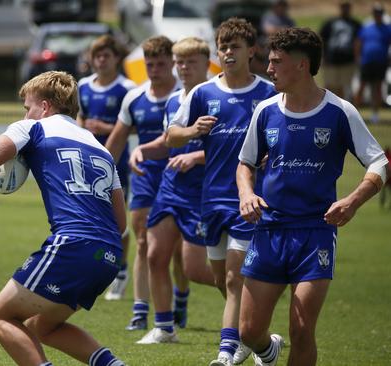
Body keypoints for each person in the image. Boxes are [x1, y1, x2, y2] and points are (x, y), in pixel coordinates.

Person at [237, 27, 389, 366]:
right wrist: (246, 193)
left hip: (315, 232)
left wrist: (353, 200)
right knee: (247, 331)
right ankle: (267, 350)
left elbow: (379, 162)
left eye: (276, 62)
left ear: (302, 66)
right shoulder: (265, 111)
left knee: (302, 329)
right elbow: (245, 162)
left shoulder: (340, 112)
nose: (269, 69)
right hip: (269, 230)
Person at [0, 71, 127, 366]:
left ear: (44, 107)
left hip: (73, 245)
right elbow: (120, 223)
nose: (25, 113)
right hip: (109, 254)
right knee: (43, 326)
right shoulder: (102, 149)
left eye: (27, 107)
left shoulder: (33, 128)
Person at [166, 18, 277, 365]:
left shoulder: (267, 93)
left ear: (251, 51)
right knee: (220, 279)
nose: (228, 53)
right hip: (210, 198)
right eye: (223, 47)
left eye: (236, 47)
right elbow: (171, 135)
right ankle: (262, 342)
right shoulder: (203, 93)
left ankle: (227, 352)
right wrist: (192, 131)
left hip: (249, 198)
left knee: (233, 277)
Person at [129, 37, 217, 341]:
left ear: (207, 64)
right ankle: (164, 327)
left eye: (190, 62)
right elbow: (169, 142)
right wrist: (141, 150)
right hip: (170, 189)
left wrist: (195, 157)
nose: (183, 68)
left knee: (195, 269)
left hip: (202, 193)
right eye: (180, 62)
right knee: (155, 256)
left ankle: (253, 298)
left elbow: (234, 148)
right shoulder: (173, 101)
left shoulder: (217, 96)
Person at [105, 35, 179, 339]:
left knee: (180, 252)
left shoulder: (185, 95)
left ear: (172, 63)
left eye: (161, 63)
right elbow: (117, 142)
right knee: (146, 244)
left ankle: (180, 301)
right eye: (150, 64)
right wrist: (102, 174)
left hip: (180, 179)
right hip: (146, 178)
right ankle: (139, 312)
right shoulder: (134, 98)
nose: (155, 69)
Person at [77, 34, 136, 301]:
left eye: (106, 56)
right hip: (87, 165)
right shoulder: (83, 86)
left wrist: (107, 128)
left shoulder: (127, 88)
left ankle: (121, 270)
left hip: (116, 164)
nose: (101, 60)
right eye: (97, 55)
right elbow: (79, 115)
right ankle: (95, 269)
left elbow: (137, 125)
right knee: (89, 218)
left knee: (117, 220)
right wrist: (81, 129)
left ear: (116, 59)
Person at [354, 2, 391, 124]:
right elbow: (359, 43)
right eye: (376, 13)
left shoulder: (388, 28)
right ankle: (355, 114)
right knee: (362, 87)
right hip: (366, 62)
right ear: (373, 14)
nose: (378, 15)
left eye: (380, 13)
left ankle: (375, 115)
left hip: (380, 63)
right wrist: (358, 58)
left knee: (378, 88)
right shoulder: (367, 27)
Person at [319, 1, 361, 99]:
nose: (345, 9)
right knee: (329, 87)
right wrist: (322, 57)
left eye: (347, 7)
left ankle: (343, 109)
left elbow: (359, 42)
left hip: (348, 61)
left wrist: (357, 57)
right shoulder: (330, 22)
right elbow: (321, 39)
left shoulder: (355, 24)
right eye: (343, 7)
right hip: (331, 61)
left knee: (345, 87)